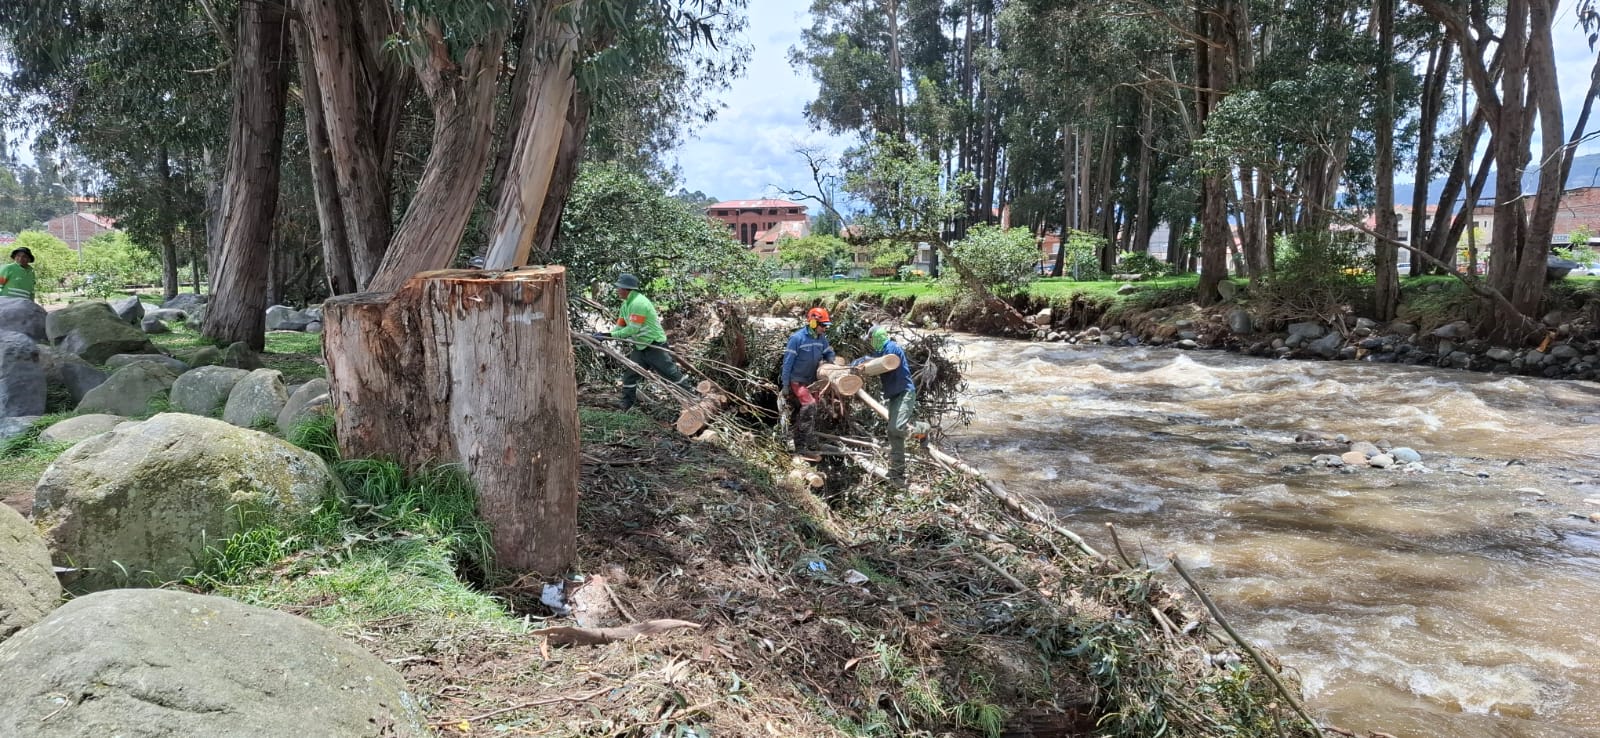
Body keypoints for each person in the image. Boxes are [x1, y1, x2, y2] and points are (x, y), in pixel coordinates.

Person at [601, 273, 696, 410]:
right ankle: (626, 403)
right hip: (640, 346)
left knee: (669, 372)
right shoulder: (625, 305)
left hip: (654, 345)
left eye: (619, 288)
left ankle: (691, 398)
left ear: (627, 289)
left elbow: (632, 330)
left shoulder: (639, 303)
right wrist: (605, 335)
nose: (617, 290)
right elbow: (620, 326)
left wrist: (607, 335)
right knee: (630, 374)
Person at [853, 325, 916, 486]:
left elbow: (881, 363)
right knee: (893, 431)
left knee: (895, 428)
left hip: (905, 393)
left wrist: (868, 364)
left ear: (877, 338)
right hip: (895, 396)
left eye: (871, 339)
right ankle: (897, 471)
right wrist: (857, 363)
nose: (871, 343)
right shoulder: (881, 350)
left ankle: (922, 429)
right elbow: (870, 358)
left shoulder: (892, 348)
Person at [780, 307, 836, 458]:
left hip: (812, 381)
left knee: (812, 409)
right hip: (797, 380)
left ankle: (809, 439)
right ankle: (800, 446)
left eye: (826, 326)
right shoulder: (797, 339)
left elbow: (829, 352)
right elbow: (787, 363)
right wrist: (785, 384)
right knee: (809, 405)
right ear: (812, 322)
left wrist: (830, 361)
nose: (824, 329)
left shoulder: (821, 339)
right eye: (822, 325)